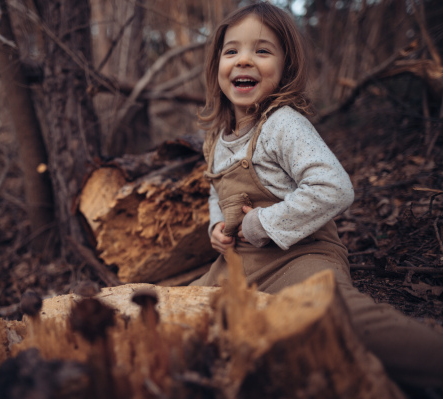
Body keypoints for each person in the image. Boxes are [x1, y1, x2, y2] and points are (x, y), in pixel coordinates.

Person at [190, 1, 443, 390]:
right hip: (237, 269)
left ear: (286, 66)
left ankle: (429, 358)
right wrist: (217, 226)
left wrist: (261, 223)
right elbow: (215, 190)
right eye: (231, 51)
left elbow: (335, 188)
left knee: (343, 318)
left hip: (300, 259)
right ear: (216, 67)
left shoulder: (283, 125)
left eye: (261, 50)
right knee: (178, 316)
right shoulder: (216, 139)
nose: (244, 61)